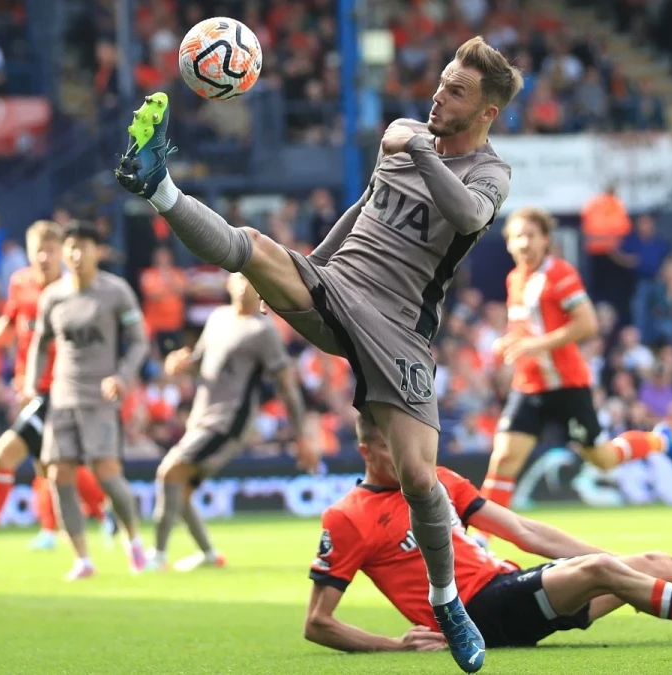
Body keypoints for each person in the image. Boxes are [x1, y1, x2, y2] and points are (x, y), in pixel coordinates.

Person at [115, 37, 523, 672]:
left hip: (400, 328)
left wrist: (416, 145)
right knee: (251, 244)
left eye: (457, 91)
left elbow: (468, 216)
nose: (438, 96)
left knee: (420, 479)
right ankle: (158, 184)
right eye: (441, 83)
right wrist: (314, 266)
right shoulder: (404, 135)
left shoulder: (488, 172)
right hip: (340, 287)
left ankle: (448, 604)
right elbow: (363, 210)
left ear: (487, 112)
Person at [303, 413, 672, 654]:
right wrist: (394, 644)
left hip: (508, 587)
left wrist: (610, 558)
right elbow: (318, 624)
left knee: (649, 561)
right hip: (476, 616)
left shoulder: (437, 480)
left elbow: (520, 529)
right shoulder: (347, 517)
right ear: (369, 450)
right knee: (604, 570)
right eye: (404, 445)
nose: (417, 454)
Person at [477, 207, 672, 543]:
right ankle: (481, 542)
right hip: (530, 386)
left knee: (603, 459)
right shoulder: (515, 279)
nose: (524, 243)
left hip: (568, 385)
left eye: (531, 235)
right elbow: (524, 329)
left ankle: (659, 439)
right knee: (502, 459)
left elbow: (587, 324)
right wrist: (508, 342)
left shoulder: (559, 273)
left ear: (545, 240)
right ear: (508, 243)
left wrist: (534, 344)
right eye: (517, 236)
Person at [0, 221, 110, 570]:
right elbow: (10, 323)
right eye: (37, 249)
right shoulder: (20, 283)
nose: (43, 256)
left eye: (50, 250)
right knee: (55, 468)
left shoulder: (72, 290)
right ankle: (104, 511)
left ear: (61, 254)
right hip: (30, 389)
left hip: (59, 391)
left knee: (3, 457)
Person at [146, 273, 320, 572]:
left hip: (228, 422)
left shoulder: (263, 330)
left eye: (252, 281)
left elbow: (286, 387)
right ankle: (209, 555)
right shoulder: (218, 317)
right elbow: (199, 363)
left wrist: (301, 435)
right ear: (228, 283)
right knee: (182, 488)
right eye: (239, 280)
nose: (243, 287)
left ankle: (158, 556)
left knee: (168, 473)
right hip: (202, 416)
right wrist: (180, 364)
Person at [24, 223, 150, 580]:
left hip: (100, 397)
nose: (77, 254)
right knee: (58, 472)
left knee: (107, 475)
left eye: (84, 247)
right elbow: (40, 343)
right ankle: (82, 559)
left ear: (98, 251)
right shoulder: (52, 297)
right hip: (62, 396)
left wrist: (122, 377)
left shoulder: (115, 291)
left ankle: (134, 541)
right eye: (71, 247)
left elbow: (139, 342)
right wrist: (31, 383)